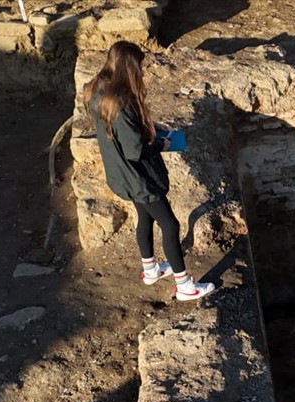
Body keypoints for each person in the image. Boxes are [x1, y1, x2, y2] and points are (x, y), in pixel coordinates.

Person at [81, 41, 215, 301]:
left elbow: (123, 131)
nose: (141, 72)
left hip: (121, 174)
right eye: (139, 67)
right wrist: (161, 143)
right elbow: (135, 150)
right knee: (170, 225)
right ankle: (185, 286)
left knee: (145, 216)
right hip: (139, 177)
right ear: (129, 68)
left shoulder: (98, 89)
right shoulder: (121, 102)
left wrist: (149, 126)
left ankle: (151, 269)